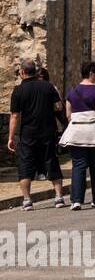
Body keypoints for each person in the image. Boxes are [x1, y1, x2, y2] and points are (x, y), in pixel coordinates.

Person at [8, 60, 64, 210]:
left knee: (25, 165)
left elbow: (14, 116)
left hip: (28, 133)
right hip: (47, 131)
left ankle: (27, 200)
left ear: (22, 72)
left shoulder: (18, 90)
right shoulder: (48, 87)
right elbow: (58, 106)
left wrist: (10, 137)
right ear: (35, 71)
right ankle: (59, 197)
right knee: (51, 161)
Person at [60, 61, 95, 209]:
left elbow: (68, 115)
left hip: (76, 133)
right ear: (91, 72)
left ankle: (76, 200)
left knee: (78, 166)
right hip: (94, 133)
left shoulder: (72, 92)